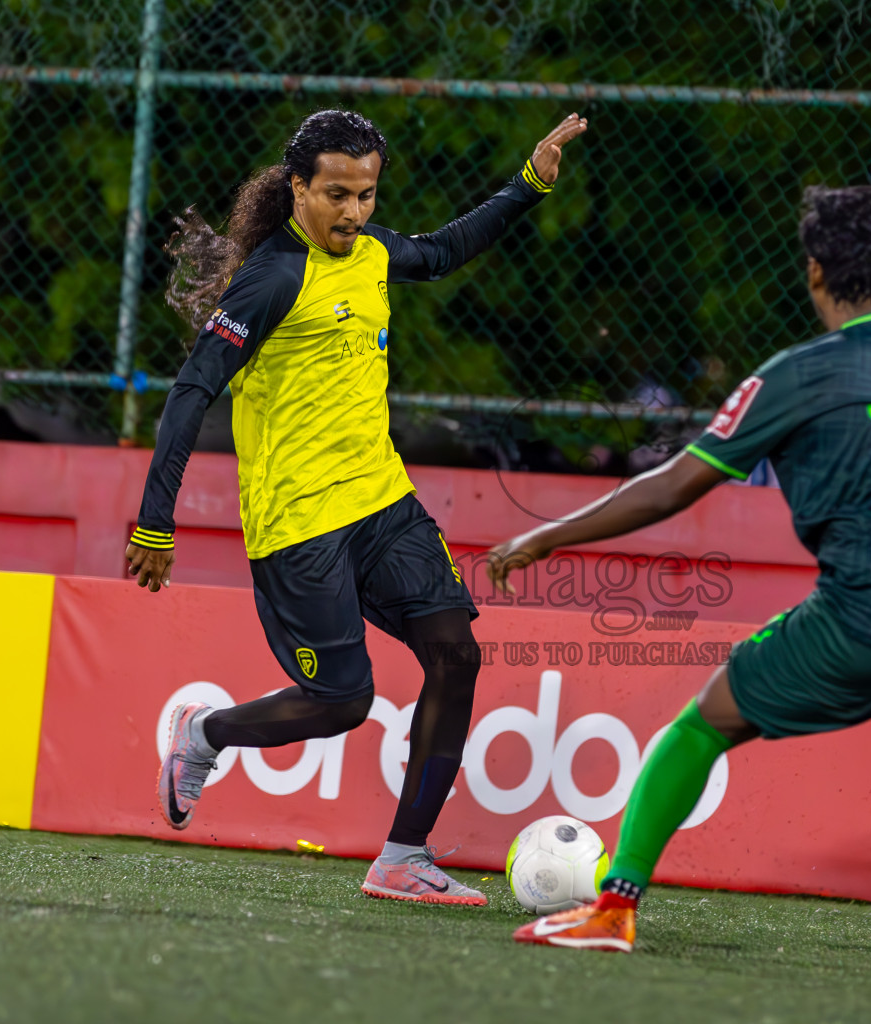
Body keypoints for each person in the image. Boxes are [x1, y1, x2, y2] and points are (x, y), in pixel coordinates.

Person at [486, 186, 871, 983]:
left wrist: (548, 534)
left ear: (816, 272)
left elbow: (673, 487)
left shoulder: (800, 373)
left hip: (869, 610)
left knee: (701, 724)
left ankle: (613, 906)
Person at [129, 108, 587, 906]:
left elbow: (443, 252)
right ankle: (206, 734)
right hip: (298, 520)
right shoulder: (272, 278)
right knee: (344, 702)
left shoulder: (371, 255)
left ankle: (403, 858)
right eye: (336, 194)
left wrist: (529, 183)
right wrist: (154, 520)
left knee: (456, 651)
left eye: (366, 194)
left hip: (382, 500)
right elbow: (192, 390)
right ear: (297, 188)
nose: (353, 212)